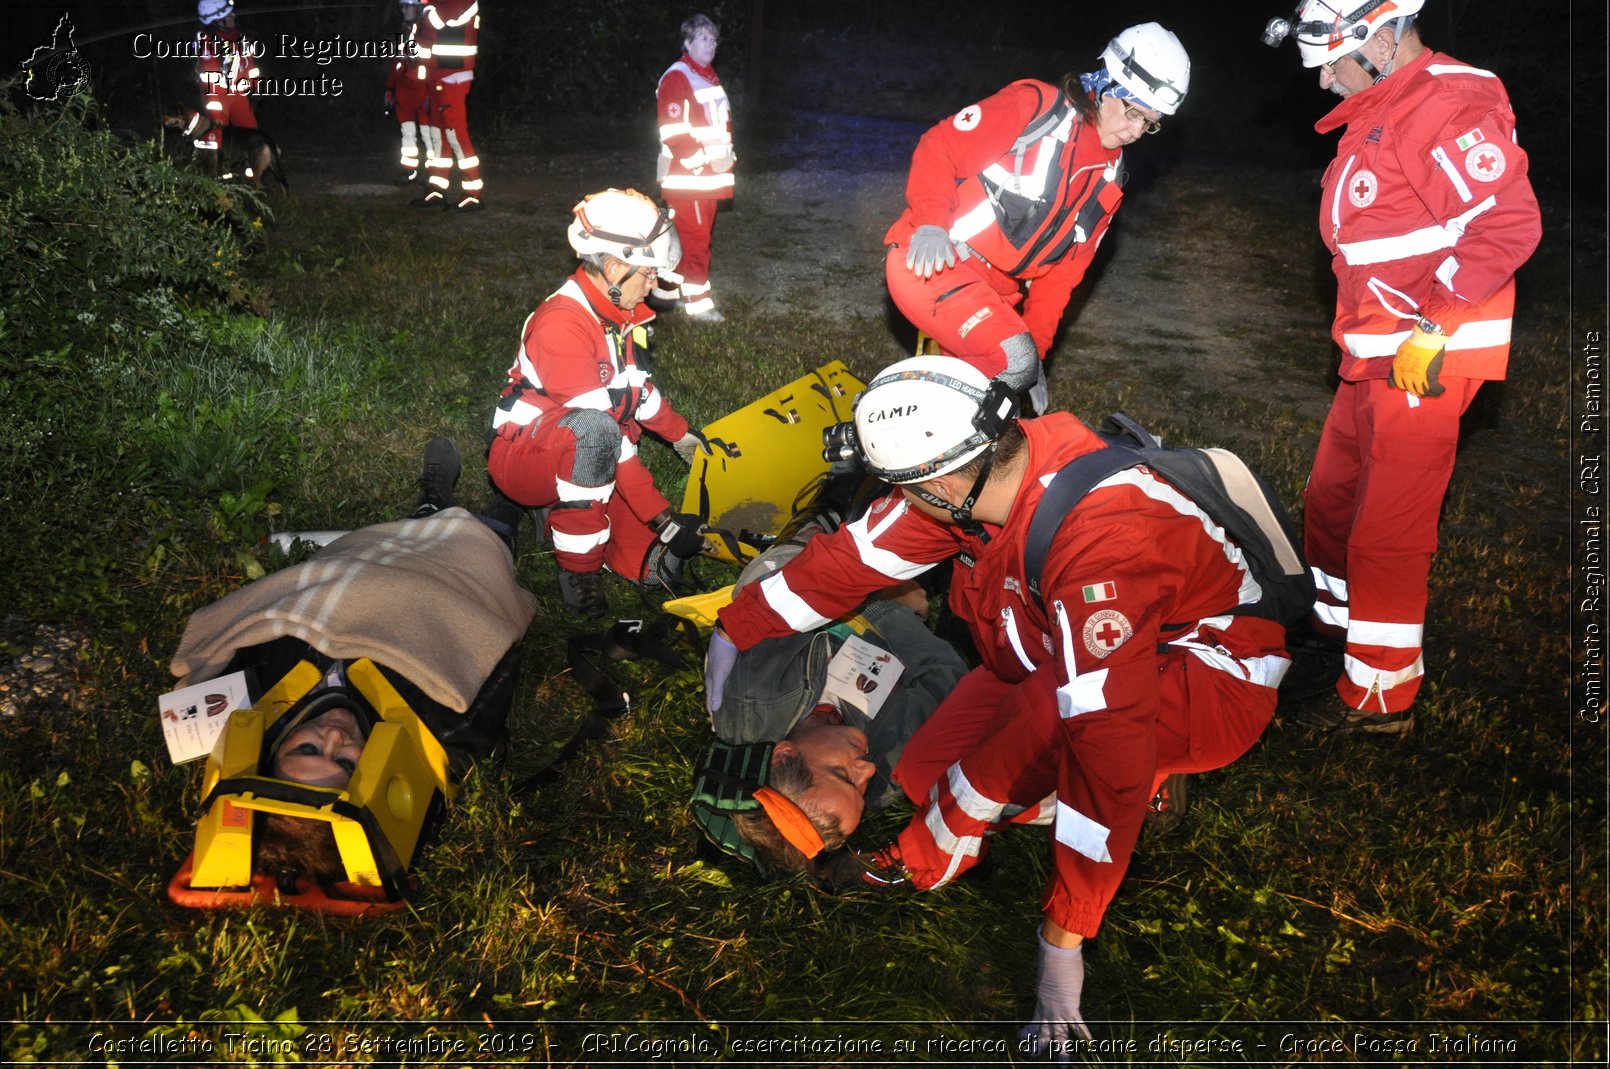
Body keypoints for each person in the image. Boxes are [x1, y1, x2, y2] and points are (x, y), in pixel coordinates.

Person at [706, 356, 1294, 1044]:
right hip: (1053, 656)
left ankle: (1150, 787)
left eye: (901, 488)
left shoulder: (1104, 544)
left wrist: (1062, 941)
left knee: (1013, 765)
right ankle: (975, 814)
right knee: (930, 775)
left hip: (1204, 676)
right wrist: (737, 626)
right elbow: (854, 558)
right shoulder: (983, 476)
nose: (896, 502)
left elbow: (1103, 739)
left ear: (945, 479)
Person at [1263, 0, 1541, 732]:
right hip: (1376, 350)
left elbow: (1508, 221)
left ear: (1381, 38)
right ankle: (1336, 627)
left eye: (1331, 62)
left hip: (1425, 356)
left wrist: (1434, 325)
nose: (1323, 83)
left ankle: (1380, 697)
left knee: (1386, 525)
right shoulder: (1385, 106)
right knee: (1329, 499)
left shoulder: (1447, 100)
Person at [169, 439, 536, 892]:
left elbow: (245, 628)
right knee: (491, 537)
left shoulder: (251, 703)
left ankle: (431, 504)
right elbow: (494, 652)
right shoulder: (442, 735)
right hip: (447, 582)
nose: (335, 737)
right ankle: (507, 508)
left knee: (401, 533)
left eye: (305, 751)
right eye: (344, 761)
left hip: (361, 564)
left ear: (267, 754)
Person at [884, 23, 1189, 413]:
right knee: (1006, 375)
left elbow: (1062, 278)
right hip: (934, 260)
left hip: (993, 296)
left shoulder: (1110, 180)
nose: (1136, 131)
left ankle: (900, 452)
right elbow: (940, 147)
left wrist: (1037, 352)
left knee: (969, 406)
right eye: (1133, 112)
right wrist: (930, 220)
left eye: (1150, 123)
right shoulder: (1035, 107)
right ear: (1104, 85)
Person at [704, 479, 969, 875]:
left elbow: (781, 590)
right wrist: (889, 607)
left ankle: (830, 500)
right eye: (862, 788)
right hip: (889, 618)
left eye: (842, 774)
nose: (868, 770)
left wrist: (879, 592)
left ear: (785, 753)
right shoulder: (888, 772)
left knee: (814, 536)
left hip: (805, 572)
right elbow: (947, 677)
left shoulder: (749, 699)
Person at [487, 188, 712, 618]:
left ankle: (562, 507)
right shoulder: (562, 325)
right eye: (647, 273)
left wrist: (682, 435)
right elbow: (605, 433)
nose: (654, 284)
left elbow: (636, 390)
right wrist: (661, 518)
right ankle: (578, 574)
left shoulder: (618, 312)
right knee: (596, 434)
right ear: (612, 268)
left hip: (582, 444)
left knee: (653, 569)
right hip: (523, 455)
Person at [654, 14, 734, 322]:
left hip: (705, 179)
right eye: (703, 38)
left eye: (713, 39)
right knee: (696, 241)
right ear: (687, 43)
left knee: (687, 239)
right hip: (691, 179)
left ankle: (664, 295)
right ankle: (699, 307)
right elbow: (673, 131)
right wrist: (700, 164)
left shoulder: (707, 76)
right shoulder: (679, 76)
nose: (710, 44)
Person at [412, 0, 483, 210]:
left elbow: (440, 20)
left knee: (455, 134)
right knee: (437, 135)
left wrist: (424, 8)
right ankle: (437, 187)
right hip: (436, 76)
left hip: (454, 76)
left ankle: (472, 192)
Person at [193, 0, 259, 163]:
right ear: (217, 20)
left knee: (251, 133)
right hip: (218, 97)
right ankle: (212, 177)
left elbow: (248, 65)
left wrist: (254, 87)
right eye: (228, 14)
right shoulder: (207, 43)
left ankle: (252, 176)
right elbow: (210, 79)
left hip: (239, 95)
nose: (233, 15)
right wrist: (215, 111)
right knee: (214, 137)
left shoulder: (239, 36)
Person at [384, 1, 429, 185]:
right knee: (407, 132)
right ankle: (410, 171)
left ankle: (434, 173)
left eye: (408, 6)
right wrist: (390, 88)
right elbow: (396, 61)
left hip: (423, 89)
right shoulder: (403, 30)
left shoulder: (428, 31)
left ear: (418, 9)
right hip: (404, 90)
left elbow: (432, 62)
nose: (403, 10)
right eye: (402, 7)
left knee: (428, 133)